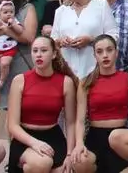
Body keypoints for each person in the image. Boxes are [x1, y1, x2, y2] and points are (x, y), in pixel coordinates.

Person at [71, 35, 128, 173]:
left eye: (109, 50)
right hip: (95, 138)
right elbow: (80, 120)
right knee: (79, 161)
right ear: (94, 55)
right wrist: (79, 143)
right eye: (99, 51)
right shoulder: (85, 83)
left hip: (119, 139)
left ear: (116, 52)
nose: (105, 55)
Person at [6, 37, 78, 173]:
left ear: (54, 54)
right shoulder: (20, 80)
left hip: (54, 137)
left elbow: (70, 123)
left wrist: (69, 154)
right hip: (25, 138)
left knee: (69, 168)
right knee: (42, 163)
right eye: (35, 51)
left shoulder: (66, 82)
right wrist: (35, 143)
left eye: (44, 50)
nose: (38, 55)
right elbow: (12, 125)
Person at [50, 0, 118, 80]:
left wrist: (91, 40)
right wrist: (60, 41)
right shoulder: (61, 11)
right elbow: (52, 41)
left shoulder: (101, 6)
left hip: (94, 71)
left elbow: (114, 36)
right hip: (66, 73)